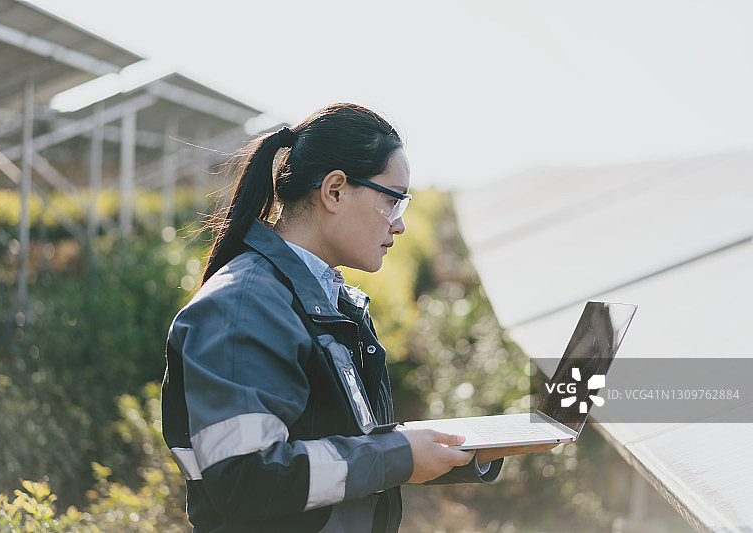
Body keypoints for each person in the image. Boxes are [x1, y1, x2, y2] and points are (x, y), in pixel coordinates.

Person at [161, 103, 556, 533]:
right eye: (392, 200)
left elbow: (336, 445)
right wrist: (398, 455)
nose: (400, 225)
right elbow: (246, 477)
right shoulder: (243, 306)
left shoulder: (325, 297)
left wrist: (460, 447)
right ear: (334, 191)